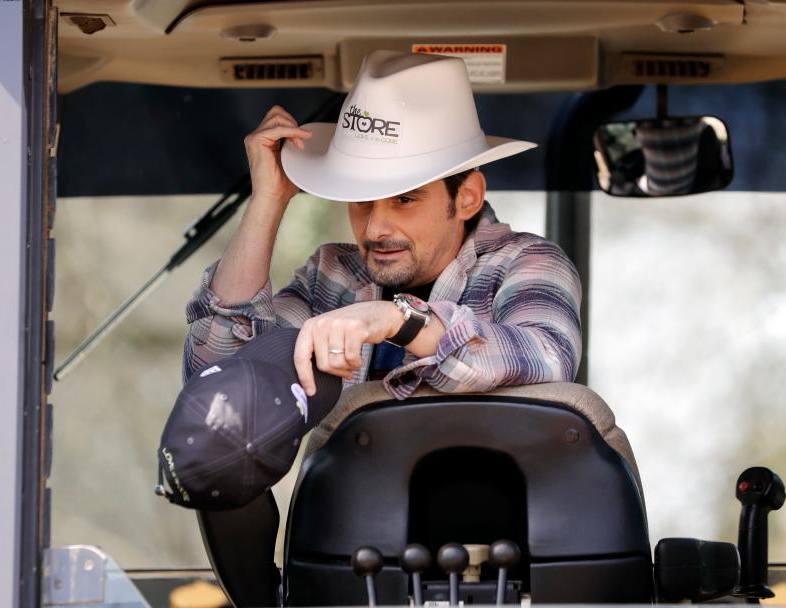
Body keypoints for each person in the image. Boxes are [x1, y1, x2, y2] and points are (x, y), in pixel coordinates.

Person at [183, 50, 583, 399]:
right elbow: (215, 382)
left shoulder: (527, 263)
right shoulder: (331, 276)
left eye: (404, 199)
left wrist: (397, 320)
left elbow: (545, 355)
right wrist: (267, 201)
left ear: (467, 197)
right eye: (361, 200)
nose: (374, 229)